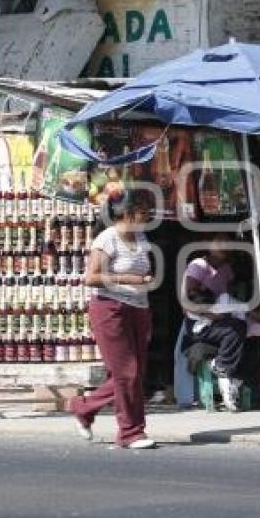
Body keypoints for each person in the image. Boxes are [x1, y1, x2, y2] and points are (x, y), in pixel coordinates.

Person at [68, 190, 156, 449]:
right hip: (110, 309)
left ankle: (83, 407)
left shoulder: (141, 237)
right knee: (126, 371)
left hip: (138, 307)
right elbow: (91, 278)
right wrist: (129, 280)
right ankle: (130, 432)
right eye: (141, 209)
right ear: (127, 213)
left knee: (134, 372)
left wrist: (146, 279)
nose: (146, 214)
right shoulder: (107, 239)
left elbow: (143, 267)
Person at [181, 232, 247, 411]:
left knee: (248, 331)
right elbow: (187, 302)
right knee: (234, 329)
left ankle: (234, 377)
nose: (223, 246)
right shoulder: (198, 266)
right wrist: (210, 313)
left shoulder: (226, 270)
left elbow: (227, 296)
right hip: (198, 324)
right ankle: (222, 366)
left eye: (227, 243)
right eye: (219, 241)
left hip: (219, 319)